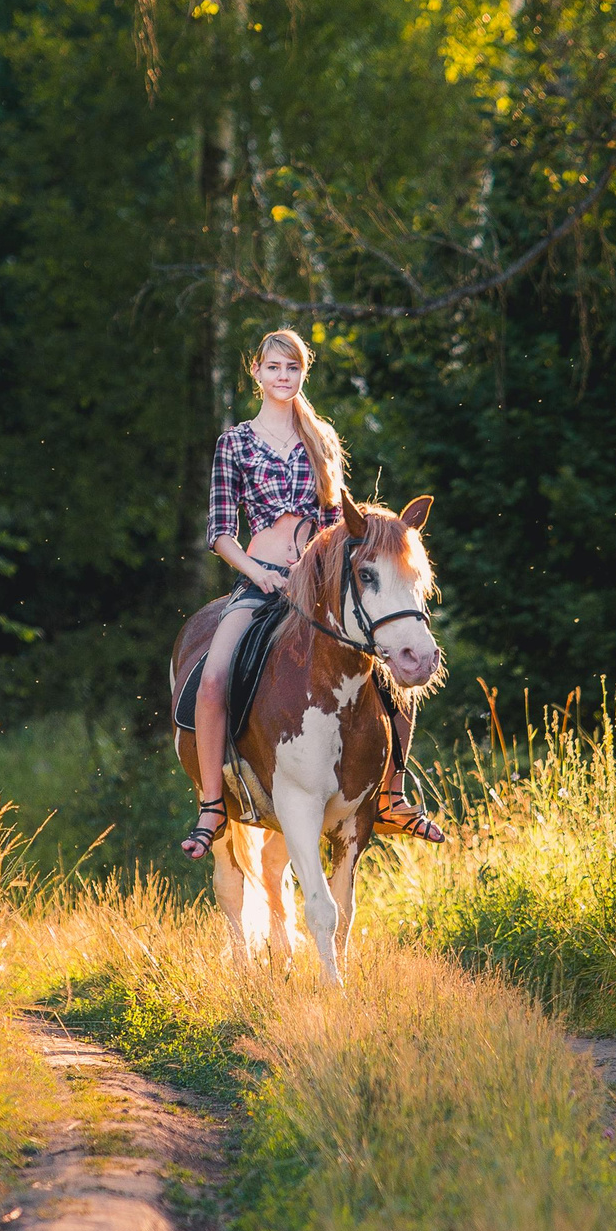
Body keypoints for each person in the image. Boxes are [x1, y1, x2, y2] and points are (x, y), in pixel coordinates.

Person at [186, 328, 447, 860]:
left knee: (392, 672)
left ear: (303, 374)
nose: (284, 377)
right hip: (258, 577)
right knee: (213, 677)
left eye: (294, 369)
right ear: (255, 372)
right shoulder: (233, 442)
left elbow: (338, 524)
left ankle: (394, 795)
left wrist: (319, 573)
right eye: (274, 368)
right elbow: (219, 532)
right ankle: (213, 804)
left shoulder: (321, 438)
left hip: (317, 583)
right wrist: (258, 574)